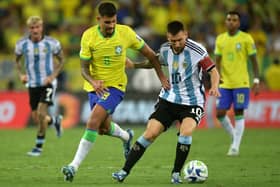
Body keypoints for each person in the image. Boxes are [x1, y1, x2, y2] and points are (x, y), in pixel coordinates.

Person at [61, 2, 169, 182]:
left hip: (116, 87)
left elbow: (152, 55)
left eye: (113, 21)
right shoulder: (88, 36)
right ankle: (126, 136)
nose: (111, 26)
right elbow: (83, 69)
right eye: (107, 22)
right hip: (94, 88)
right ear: (98, 20)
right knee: (103, 128)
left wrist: (161, 77)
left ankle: (73, 166)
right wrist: (93, 81)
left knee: (93, 121)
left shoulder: (125, 33)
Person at [112, 20, 220, 184]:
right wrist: (134, 65)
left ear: (186, 35)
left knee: (186, 132)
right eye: (172, 41)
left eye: (179, 40)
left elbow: (213, 71)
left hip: (192, 102)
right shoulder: (164, 49)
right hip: (169, 99)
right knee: (150, 134)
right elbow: (154, 62)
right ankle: (123, 171)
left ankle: (176, 173)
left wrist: (214, 86)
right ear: (168, 38)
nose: (176, 44)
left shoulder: (197, 50)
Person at [15, 16, 64, 156]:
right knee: (37, 118)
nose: (35, 30)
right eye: (32, 28)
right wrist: (21, 75)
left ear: (41, 28)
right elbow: (17, 60)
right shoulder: (21, 44)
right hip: (32, 83)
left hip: (47, 83)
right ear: (28, 29)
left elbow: (61, 60)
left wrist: (53, 77)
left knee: (42, 113)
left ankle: (38, 147)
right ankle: (54, 121)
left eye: (37, 27)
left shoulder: (52, 43)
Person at [214, 11, 260, 156]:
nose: (231, 22)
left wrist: (256, 80)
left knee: (239, 111)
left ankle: (235, 147)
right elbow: (217, 61)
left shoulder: (246, 38)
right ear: (225, 22)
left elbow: (254, 61)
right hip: (225, 83)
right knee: (220, 113)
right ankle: (235, 136)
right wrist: (216, 78)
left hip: (241, 82)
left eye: (234, 20)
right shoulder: (220, 39)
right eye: (229, 19)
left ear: (239, 23)